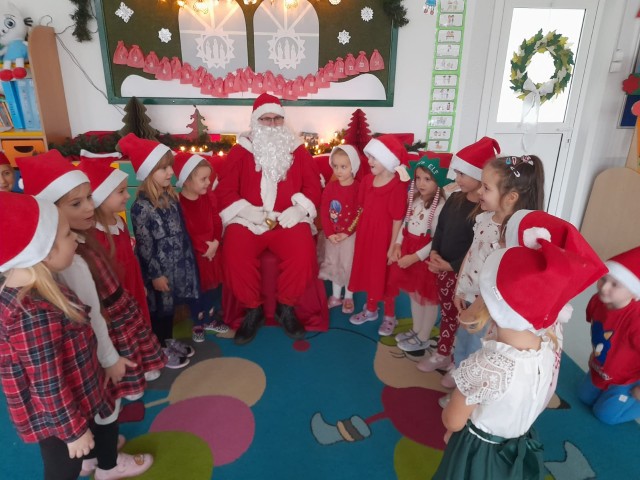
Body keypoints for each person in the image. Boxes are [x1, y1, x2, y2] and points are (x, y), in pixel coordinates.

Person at [434, 218, 606, 480]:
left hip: (478, 452)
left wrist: (451, 421)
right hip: (517, 448)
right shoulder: (548, 350)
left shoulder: (486, 366)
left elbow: (453, 421)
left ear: (491, 305)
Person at [0, 192, 153, 480]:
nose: (75, 239)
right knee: (63, 468)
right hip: (57, 419)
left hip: (71, 399)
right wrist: (73, 432)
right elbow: (48, 384)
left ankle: (93, 451)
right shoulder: (32, 314)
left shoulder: (41, 290)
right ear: (44, 251)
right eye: (67, 234)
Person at [216, 93, 322, 344]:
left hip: (286, 219)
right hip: (249, 220)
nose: (273, 124)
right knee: (235, 251)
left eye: (277, 119)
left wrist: (299, 210)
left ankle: (286, 307)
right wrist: (246, 211)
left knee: (303, 251)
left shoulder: (297, 150)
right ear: (256, 121)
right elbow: (225, 189)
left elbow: (313, 186)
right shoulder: (240, 152)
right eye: (266, 119)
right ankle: (253, 309)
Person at [443, 154, 545, 387]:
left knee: (478, 348)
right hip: (469, 296)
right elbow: (471, 254)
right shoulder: (484, 219)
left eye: (486, 188)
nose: (479, 191)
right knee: (463, 339)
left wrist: (481, 305)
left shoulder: (515, 234)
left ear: (511, 197)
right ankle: (459, 372)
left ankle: (469, 391)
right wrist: (460, 288)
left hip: (488, 307)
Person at [420, 137, 500, 372]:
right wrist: (434, 252)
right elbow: (441, 228)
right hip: (443, 269)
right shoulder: (454, 198)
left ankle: (458, 362)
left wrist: (451, 266)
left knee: (462, 318)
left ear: (479, 176)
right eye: (457, 173)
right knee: (447, 314)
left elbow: (475, 249)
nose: (457, 179)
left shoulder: (483, 210)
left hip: (463, 276)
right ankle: (443, 352)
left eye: (462, 174)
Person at [119, 133, 199, 362]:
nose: (171, 172)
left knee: (170, 307)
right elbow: (145, 244)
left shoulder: (170, 197)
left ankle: (168, 340)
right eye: (163, 169)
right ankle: (161, 347)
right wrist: (155, 275)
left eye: (170, 167)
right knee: (159, 309)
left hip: (176, 265)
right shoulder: (141, 207)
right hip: (159, 271)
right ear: (148, 172)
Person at [348, 135, 410, 336]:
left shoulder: (397, 186)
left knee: (385, 276)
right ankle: (371, 309)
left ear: (387, 159)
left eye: (374, 157)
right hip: (367, 237)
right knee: (370, 273)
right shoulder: (367, 181)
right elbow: (362, 208)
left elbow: (397, 219)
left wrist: (393, 246)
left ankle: (390, 315)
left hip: (384, 239)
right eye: (369, 157)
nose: (369, 161)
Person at [76, 157, 151, 325]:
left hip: (133, 287)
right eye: (121, 191)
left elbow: (130, 260)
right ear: (101, 197)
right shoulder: (94, 234)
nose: (128, 195)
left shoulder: (120, 221)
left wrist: (139, 285)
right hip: (116, 298)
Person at [387, 156, 450, 352]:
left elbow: (436, 240)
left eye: (427, 179)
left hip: (424, 258)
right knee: (414, 296)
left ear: (438, 181)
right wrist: (398, 244)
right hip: (409, 249)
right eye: (418, 178)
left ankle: (423, 336)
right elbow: (405, 226)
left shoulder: (440, 207)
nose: (421, 183)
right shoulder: (414, 199)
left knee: (427, 299)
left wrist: (415, 257)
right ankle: (416, 329)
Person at [578, 246, 640, 425]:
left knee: (604, 415)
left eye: (615, 284)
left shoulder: (636, 320)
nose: (604, 287)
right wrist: (595, 355)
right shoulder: (597, 301)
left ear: (633, 292)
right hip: (602, 368)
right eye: (603, 278)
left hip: (627, 379)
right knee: (583, 397)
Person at [173, 152, 228, 342]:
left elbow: (217, 220)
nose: (208, 182)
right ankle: (197, 322)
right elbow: (184, 231)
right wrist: (203, 249)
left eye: (208, 178)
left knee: (214, 288)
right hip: (194, 256)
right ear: (187, 181)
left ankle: (210, 318)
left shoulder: (209, 196)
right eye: (203, 179)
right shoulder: (179, 203)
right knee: (197, 291)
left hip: (212, 251)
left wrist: (215, 242)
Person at [319, 145, 362, 315]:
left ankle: (348, 296)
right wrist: (330, 233)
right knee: (334, 263)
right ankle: (336, 296)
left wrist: (347, 232)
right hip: (333, 236)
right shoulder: (331, 187)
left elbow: (359, 212)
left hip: (350, 236)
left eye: (343, 167)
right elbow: (324, 211)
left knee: (348, 264)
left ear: (353, 167)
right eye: (335, 166)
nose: (338, 170)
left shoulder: (358, 188)